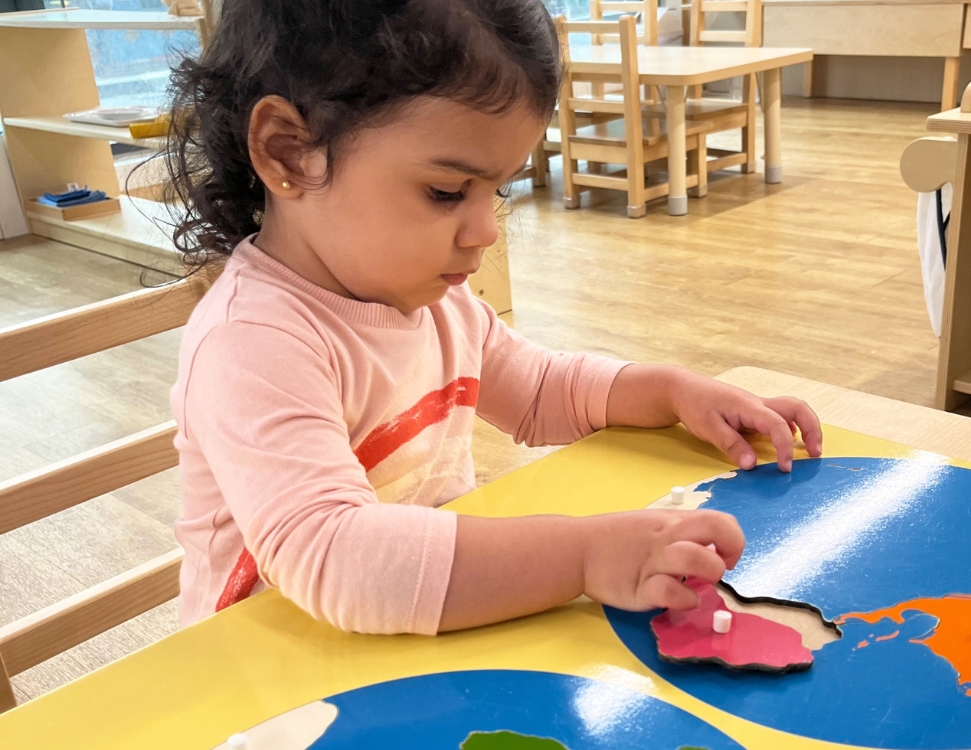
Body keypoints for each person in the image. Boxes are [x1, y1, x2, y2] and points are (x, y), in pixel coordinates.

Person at [164, 0, 823, 635]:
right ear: (288, 153)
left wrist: (672, 391)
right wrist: (585, 556)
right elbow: (336, 557)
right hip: (270, 684)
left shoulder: (433, 300)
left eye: (497, 189)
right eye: (447, 192)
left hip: (412, 634)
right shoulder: (252, 342)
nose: (484, 230)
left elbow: (538, 391)